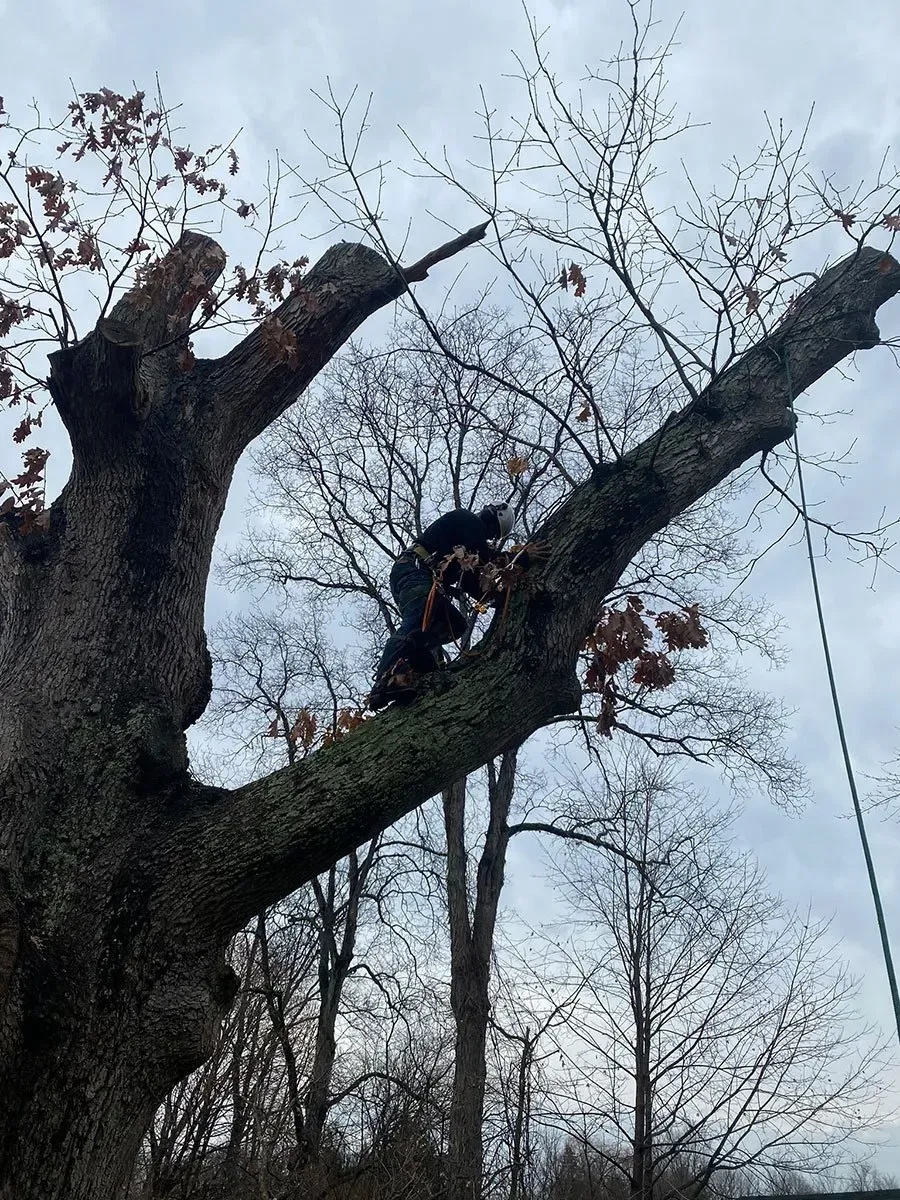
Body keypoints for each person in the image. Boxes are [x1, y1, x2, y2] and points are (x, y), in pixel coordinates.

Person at [367, 503, 516, 710]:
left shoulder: (463, 550)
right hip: (414, 571)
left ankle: (411, 667)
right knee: (417, 618)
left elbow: (472, 584)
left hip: (415, 577)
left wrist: (498, 598)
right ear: (490, 520)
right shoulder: (467, 520)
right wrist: (520, 559)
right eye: (491, 533)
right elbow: (485, 555)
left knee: (454, 625)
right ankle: (383, 679)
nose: (488, 537)